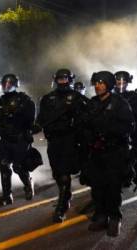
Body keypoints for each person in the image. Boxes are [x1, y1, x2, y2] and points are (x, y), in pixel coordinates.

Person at [84, 71, 134, 237]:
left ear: (109, 84)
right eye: (96, 82)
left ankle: (114, 218)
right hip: (96, 153)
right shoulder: (92, 103)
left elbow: (128, 127)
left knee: (113, 187)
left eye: (102, 82)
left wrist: (107, 134)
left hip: (114, 152)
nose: (98, 85)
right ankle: (101, 216)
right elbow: (84, 125)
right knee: (97, 187)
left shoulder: (120, 103)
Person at [36, 69, 87, 222]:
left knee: (64, 175)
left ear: (70, 80)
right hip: (53, 141)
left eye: (65, 79)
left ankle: (62, 207)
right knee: (57, 173)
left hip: (69, 140)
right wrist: (33, 128)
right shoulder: (48, 98)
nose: (62, 81)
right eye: (60, 79)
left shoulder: (78, 98)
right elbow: (41, 118)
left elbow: (85, 119)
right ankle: (65, 195)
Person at [0, 74, 36, 205]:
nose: (6, 86)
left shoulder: (24, 99)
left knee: (18, 166)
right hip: (6, 139)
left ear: (15, 85)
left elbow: (30, 118)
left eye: (9, 84)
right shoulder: (0, 101)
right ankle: (7, 196)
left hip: (20, 138)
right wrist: (1, 131)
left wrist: (24, 131)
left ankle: (28, 184)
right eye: (4, 84)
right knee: (3, 165)